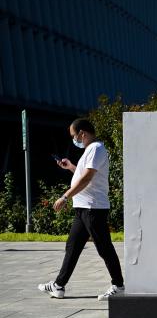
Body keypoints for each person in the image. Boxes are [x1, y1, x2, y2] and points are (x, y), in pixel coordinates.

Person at [38, 118, 125, 301]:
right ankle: (59, 286)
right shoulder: (90, 151)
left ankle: (118, 285)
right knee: (73, 246)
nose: (74, 139)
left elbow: (86, 179)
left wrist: (64, 197)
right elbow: (84, 176)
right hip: (83, 208)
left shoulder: (96, 149)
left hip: (93, 208)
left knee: (104, 247)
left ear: (82, 133)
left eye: (73, 135)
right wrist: (71, 167)